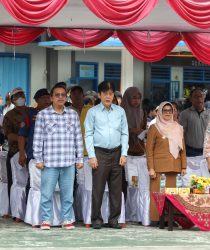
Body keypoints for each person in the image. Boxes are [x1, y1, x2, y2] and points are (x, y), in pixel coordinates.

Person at [33, 83, 84, 230]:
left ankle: (66, 219)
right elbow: (38, 138)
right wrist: (38, 159)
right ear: (51, 98)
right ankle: (46, 220)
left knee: (67, 194)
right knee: (46, 193)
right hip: (49, 162)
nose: (60, 97)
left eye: (63, 95)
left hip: (68, 162)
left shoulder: (73, 114)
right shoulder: (43, 115)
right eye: (57, 95)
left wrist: (79, 159)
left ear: (66, 96)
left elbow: (78, 138)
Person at [85, 81, 128, 229]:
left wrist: (124, 153)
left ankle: (114, 219)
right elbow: (88, 135)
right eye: (105, 93)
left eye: (110, 93)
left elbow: (124, 133)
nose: (108, 96)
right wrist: (91, 156)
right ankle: (96, 219)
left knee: (116, 189)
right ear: (99, 95)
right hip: (99, 153)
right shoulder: (92, 112)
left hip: (117, 153)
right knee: (98, 188)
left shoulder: (120, 112)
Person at [146, 102, 186, 223]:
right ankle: (157, 218)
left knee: (173, 196)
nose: (168, 112)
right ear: (160, 112)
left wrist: (183, 166)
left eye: (170, 110)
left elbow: (182, 149)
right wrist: (151, 168)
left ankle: (170, 218)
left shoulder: (178, 127)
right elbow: (149, 150)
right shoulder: (154, 127)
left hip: (175, 166)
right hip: (158, 167)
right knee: (157, 194)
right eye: (165, 110)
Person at [121, 86, 149, 225]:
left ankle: (137, 213)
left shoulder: (141, 112)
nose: (137, 101)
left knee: (137, 185)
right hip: (125, 154)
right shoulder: (121, 112)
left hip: (139, 153)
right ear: (127, 98)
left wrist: (143, 132)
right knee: (127, 185)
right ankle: (125, 214)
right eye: (134, 97)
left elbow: (144, 128)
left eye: (139, 98)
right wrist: (133, 131)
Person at [3, 87, 28, 206]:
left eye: (22, 95)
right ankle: (15, 210)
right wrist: (24, 139)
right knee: (14, 182)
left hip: (32, 152)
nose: (20, 98)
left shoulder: (31, 111)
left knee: (30, 182)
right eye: (17, 96)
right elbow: (9, 136)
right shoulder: (9, 115)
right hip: (15, 152)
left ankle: (28, 208)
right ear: (12, 100)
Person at [18, 88, 51, 168]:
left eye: (48, 98)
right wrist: (22, 154)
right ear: (37, 100)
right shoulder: (30, 114)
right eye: (43, 98)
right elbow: (22, 135)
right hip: (34, 156)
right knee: (34, 180)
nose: (46, 100)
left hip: (52, 157)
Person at [180, 88, 210, 157]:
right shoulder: (184, 114)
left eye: (201, 96)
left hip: (208, 150)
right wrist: (182, 150)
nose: (199, 99)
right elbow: (182, 133)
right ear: (191, 99)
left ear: (204, 98)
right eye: (196, 96)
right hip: (190, 151)